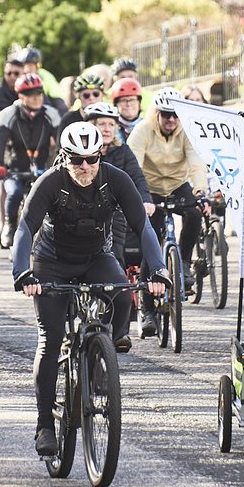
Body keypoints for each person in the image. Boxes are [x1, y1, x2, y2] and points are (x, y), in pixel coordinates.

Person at [11, 122, 169, 459]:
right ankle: (44, 425)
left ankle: (105, 350)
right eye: (77, 160)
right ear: (63, 158)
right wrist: (23, 273)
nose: (85, 167)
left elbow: (143, 227)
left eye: (92, 159)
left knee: (123, 293)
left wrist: (157, 268)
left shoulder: (115, 178)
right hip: (51, 263)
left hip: (96, 257)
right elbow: (25, 228)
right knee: (50, 339)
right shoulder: (51, 183)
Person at [85, 102, 158, 334]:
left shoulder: (123, 151)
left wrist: (145, 199)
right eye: (101, 124)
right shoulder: (82, 154)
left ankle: (120, 331)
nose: (107, 129)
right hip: (84, 216)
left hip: (114, 215)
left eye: (110, 125)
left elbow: (137, 177)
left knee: (117, 259)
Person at [127, 88, 209, 291]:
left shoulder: (187, 131)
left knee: (194, 215)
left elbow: (196, 164)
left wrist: (200, 192)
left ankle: (184, 262)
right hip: (149, 187)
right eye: (166, 114)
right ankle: (147, 308)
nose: (171, 119)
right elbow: (133, 166)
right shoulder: (142, 130)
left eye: (176, 115)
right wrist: (137, 196)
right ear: (157, 113)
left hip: (177, 185)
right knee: (150, 240)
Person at [0, 73, 61, 248]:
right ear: (21, 96)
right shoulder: (8, 114)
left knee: (52, 199)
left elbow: (61, 142)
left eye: (39, 93)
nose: (37, 98)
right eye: (31, 94)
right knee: (14, 193)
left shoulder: (51, 114)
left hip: (41, 168)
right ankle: (9, 224)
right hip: (14, 170)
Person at [16, 47, 65, 115]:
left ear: (37, 66)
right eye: (24, 65)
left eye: (30, 65)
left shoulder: (46, 76)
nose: (27, 69)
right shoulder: (15, 76)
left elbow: (58, 100)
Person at [55, 73, 105, 138]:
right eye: (86, 95)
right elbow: (59, 146)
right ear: (78, 96)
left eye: (96, 94)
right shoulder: (68, 119)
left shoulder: (109, 118)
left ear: (103, 95)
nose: (91, 98)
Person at [110, 77, 143, 143]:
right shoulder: (110, 128)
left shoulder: (148, 126)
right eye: (123, 100)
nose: (128, 104)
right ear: (116, 105)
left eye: (132, 100)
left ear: (139, 103)